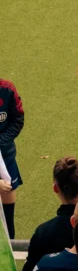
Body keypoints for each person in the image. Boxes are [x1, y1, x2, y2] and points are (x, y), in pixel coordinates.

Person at [0, 79, 24, 239]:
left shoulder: (7, 90)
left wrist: (1, 141)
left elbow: (17, 120)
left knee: (8, 221)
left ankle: (9, 258)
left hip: (5, 160)